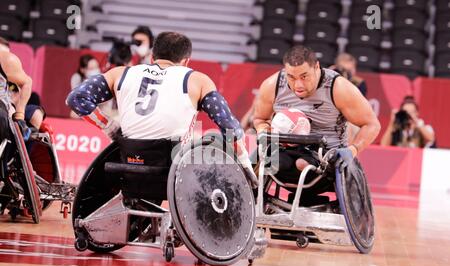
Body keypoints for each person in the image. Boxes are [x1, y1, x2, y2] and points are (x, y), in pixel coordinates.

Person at [66, 31, 255, 178]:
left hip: (129, 159)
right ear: (186, 62)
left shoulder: (121, 73)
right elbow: (229, 126)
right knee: (210, 139)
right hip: (172, 165)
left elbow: (76, 99)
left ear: (151, 57)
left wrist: (110, 128)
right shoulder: (197, 80)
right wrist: (245, 161)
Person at [253, 45, 380, 204]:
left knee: (304, 164)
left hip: (325, 157)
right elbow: (259, 119)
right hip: (285, 151)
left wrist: (352, 150)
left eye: (304, 76)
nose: (298, 84)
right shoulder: (272, 85)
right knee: (261, 157)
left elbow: (372, 124)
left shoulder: (338, 88)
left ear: (317, 67)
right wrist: (265, 131)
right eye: (291, 77)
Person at [0, 37, 32, 146]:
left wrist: (19, 115)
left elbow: (27, 82)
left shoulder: (7, 60)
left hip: (5, 108)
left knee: (36, 113)